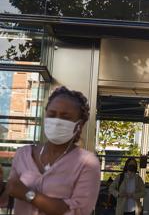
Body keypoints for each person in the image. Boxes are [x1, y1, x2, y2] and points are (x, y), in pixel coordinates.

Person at [0, 86, 101, 214]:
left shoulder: (87, 163)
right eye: (52, 115)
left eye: (65, 117)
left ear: (79, 125)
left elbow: (78, 211)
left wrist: (28, 194)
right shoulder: (23, 154)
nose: (57, 121)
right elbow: (8, 197)